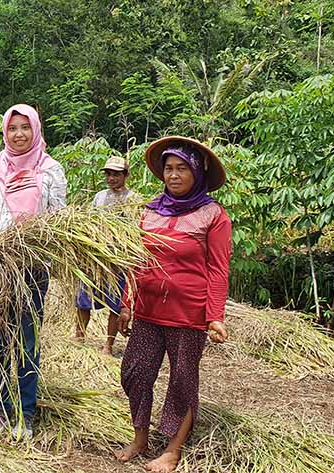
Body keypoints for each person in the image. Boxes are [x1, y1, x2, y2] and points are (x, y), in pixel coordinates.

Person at [114, 136, 231, 473]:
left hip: (188, 314)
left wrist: (215, 316)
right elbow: (137, 261)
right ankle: (140, 438)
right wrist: (126, 304)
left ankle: (172, 450)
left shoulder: (213, 215)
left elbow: (218, 269)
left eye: (182, 168)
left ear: (197, 173)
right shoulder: (150, 211)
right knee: (135, 372)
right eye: (169, 169)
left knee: (182, 380)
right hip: (149, 310)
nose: (174, 175)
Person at [0, 104, 67, 440]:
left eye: (25, 127)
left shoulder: (50, 169)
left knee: (27, 340)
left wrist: (33, 240)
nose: (19, 134)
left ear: (36, 130)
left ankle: (25, 413)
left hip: (31, 267)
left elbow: (59, 220)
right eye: (13, 128)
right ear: (5, 132)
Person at [74, 155, 139, 355]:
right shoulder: (100, 197)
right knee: (83, 299)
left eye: (116, 174)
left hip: (118, 259)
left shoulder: (133, 199)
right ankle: (79, 337)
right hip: (97, 257)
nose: (112, 178)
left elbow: (134, 228)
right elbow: (90, 221)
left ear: (126, 175)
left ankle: (108, 345)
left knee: (115, 302)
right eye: (109, 174)